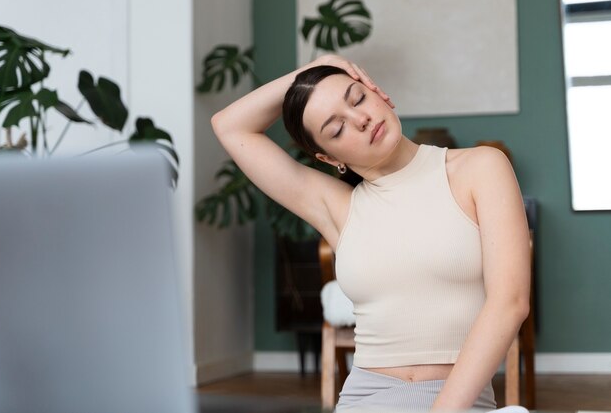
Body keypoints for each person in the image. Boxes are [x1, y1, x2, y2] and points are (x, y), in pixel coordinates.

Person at [211, 54, 531, 411]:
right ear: (330, 159)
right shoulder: (338, 207)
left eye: (357, 97)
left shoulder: (480, 167)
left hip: (457, 401)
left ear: (376, 91)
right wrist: (309, 72)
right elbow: (229, 126)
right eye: (337, 129)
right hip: (364, 398)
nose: (361, 119)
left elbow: (510, 303)